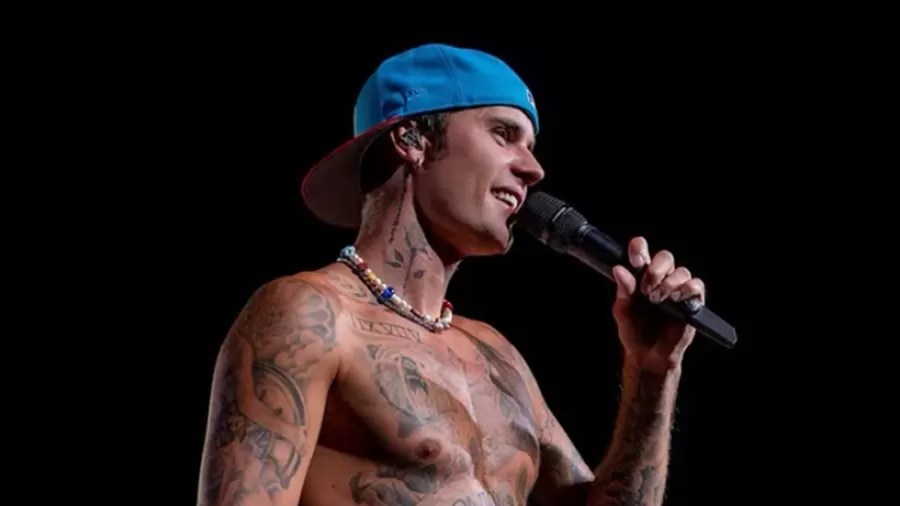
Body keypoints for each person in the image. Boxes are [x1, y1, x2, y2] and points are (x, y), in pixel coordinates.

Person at [197, 43, 706, 506]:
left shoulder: (497, 356)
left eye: (530, 145)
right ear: (412, 138)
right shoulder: (310, 314)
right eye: (504, 134)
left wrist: (652, 372)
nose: (533, 170)